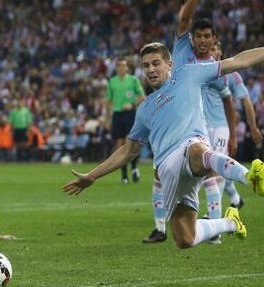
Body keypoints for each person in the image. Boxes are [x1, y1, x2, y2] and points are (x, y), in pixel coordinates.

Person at [63, 41, 264, 252]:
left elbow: (237, 61)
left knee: (197, 151)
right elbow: (128, 150)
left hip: (191, 147)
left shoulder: (188, 74)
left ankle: (250, 176)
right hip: (168, 174)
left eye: (156, 63)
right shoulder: (144, 109)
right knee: (185, 238)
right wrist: (92, 176)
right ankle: (230, 223)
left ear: (170, 64)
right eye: (146, 65)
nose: (150, 69)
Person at [143, 3, 237, 244]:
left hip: (203, 128)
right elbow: (184, 19)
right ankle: (162, 227)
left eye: (208, 36)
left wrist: (233, 133)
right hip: (173, 127)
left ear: (214, 39)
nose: (202, 40)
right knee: (159, 175)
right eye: (199, 36)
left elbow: (229, 98)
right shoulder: (183, 53)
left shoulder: (210, 67)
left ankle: (220, 224)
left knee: (210, 173)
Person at [210, 41, 263, 209]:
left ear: (219, 51)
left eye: (214, 48)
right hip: (200, 128)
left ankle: (213, 215)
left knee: (215, 169)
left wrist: (253, 127)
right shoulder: (198, 72)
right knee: (209, 168)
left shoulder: (231, 75)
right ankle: (235, 198)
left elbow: (246, 101)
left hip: (222, 128)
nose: (210, 52)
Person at [105, 57, 146, 184]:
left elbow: (142, 97)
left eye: (123, 66)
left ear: (127, 68)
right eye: (119, 66)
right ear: (116, 68)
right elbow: (108, 101)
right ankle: (124, 176)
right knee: (119, 145)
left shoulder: (133, 80)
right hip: (117, 114)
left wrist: (132, 104)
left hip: (130, 114)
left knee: (130, 143)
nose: (121, 68)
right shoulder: (112, 81)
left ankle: (133, 167)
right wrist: (107, 118)